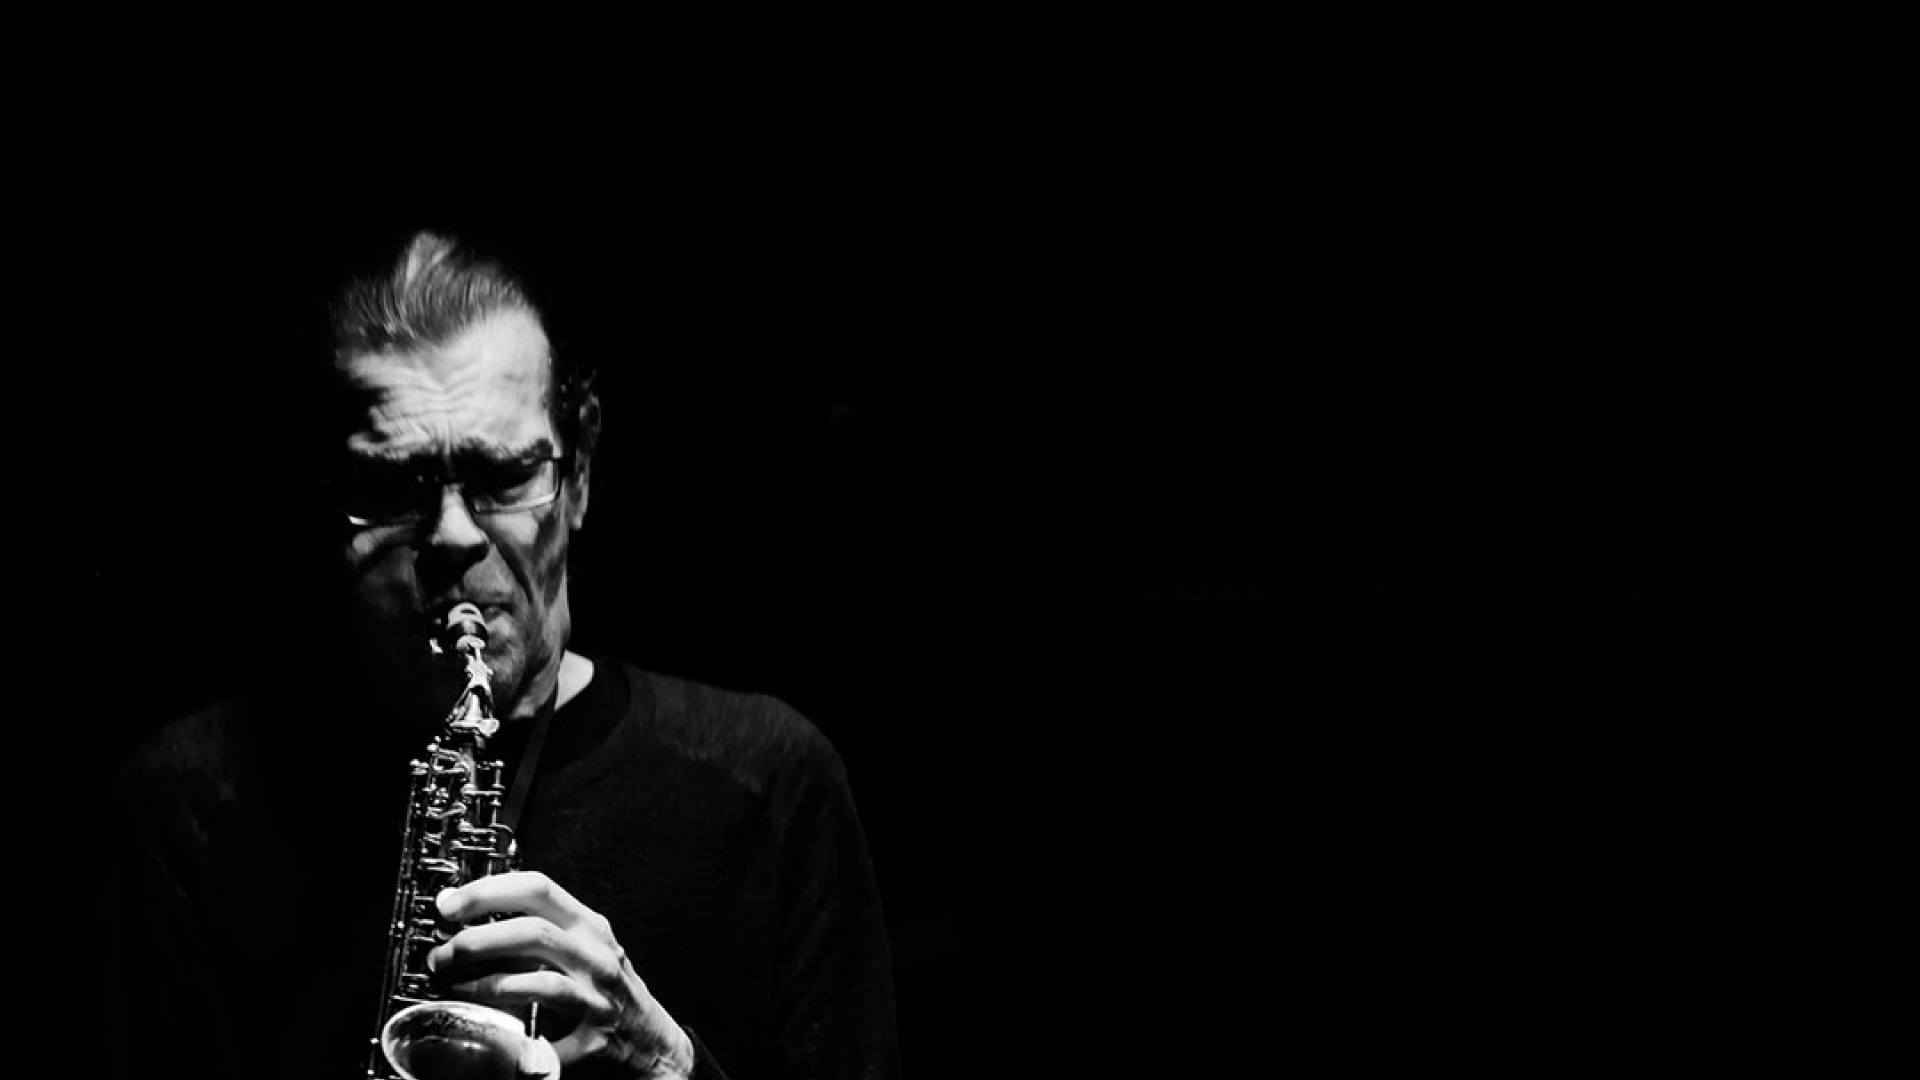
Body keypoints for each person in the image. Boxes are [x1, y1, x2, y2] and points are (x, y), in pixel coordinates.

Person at [104, 229, 900, 1079]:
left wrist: (663, 1061)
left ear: (579, 471)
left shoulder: (774, 784)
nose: (452, 535)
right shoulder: (187, 809)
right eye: (391, 486)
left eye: (502, 477)